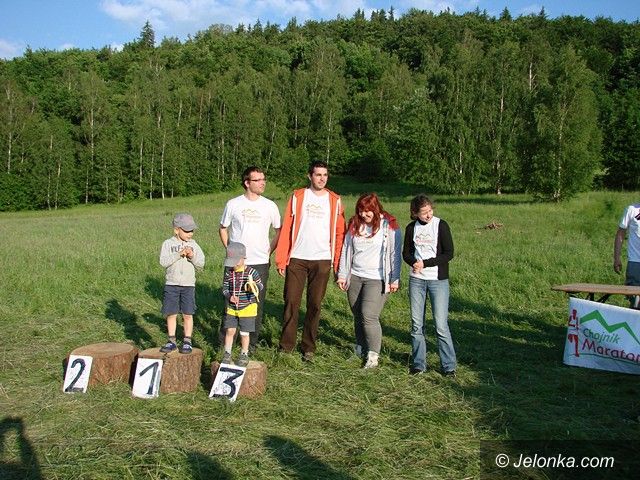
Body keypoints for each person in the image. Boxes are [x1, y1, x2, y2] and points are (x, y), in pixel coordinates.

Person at [275, 160, 346, 361]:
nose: (322, 179)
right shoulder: (298, 197)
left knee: (314, 304)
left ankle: (308, 347)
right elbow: (287, 227)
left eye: (325, 175)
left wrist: (337, 264)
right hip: (297, 258)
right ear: (310, 176)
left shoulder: (335, 200)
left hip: (322, 259)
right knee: (291, 301)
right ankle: (286, 345)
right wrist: (281, 259)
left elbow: (340, 233)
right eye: (318, 175)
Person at [219, 166, 281, 352]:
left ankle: (250, 345)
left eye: (264, 179)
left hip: (259, 262)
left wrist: (269, 251)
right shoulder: (233, 204)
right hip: (235, 263)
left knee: (255, 304)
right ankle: (225, 345)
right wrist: (231, 251)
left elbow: (279, 231)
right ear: (247, 183)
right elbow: (223, 228)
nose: (263, 183)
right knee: (231, 302)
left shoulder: (270, 205)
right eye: (258, 180)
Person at [337, 193, 402, 369]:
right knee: (358, 315)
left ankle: (373, 356)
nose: (363, 214)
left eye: (367, 211)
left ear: (375, 209)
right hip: (355, 276)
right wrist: (342, 274)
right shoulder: (354, 224)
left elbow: (395, 253)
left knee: (369, 316)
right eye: (360, 210)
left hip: (377, 278)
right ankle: (360, 349)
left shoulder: (389, 225)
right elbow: (346, 248)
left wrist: (395, 278)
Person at [402, 194, 457, 377]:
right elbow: (406, 253)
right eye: (424, 212)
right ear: (415, 213)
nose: (428, 215)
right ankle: (419, 364)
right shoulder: (411, 228)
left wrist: (425, 263)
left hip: (438, 280)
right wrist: (414, 263)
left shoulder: (441, 225)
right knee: (417, 325)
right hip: (417, 280)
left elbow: (448, 253)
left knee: (441, 325)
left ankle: (448, 366)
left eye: (430, 210)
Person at [159, 213, 205, 354]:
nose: (190, 233)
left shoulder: (195, 245)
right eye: (186, 230)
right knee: (171, 313)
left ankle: (187, 341)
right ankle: (171, 340)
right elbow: (163, 262)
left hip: (188, 285)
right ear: (176, 230)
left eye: (192, 230)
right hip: (171, 284)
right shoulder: (168, 244)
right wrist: (178, 254)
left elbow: (201, 264)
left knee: (188, 313)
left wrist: (192, 256)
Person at [221, 242, 264, 367]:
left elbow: (260, 285)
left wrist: (253, 287)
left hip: (248, 308)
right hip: (232, 308)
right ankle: (227, 353)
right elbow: (225, 288)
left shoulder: (252, 272)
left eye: (235, 261)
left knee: (244, 333)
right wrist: (229, 296)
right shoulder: (229, 273)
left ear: (243, 258)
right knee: (230, 330)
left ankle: (244, 353)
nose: (233, 264)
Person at [614, 202, 640, 308]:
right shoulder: (631, 209)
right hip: (635, 262)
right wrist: (617, 258)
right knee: (635, 302)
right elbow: (620, 234)